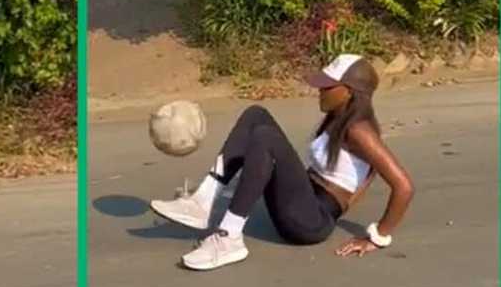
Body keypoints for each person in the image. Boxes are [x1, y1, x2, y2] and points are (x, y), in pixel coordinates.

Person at [150, 54, 415, 270]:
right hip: (302, 200)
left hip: (311, 222)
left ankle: (229, 238)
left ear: (349, 92)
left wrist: (378, 237)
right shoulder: (338, 118)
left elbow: (404, 186)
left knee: (266, 137)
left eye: (327, 86)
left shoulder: (360, 131)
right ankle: (203, 200)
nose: (319, 90)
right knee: (256, 115)